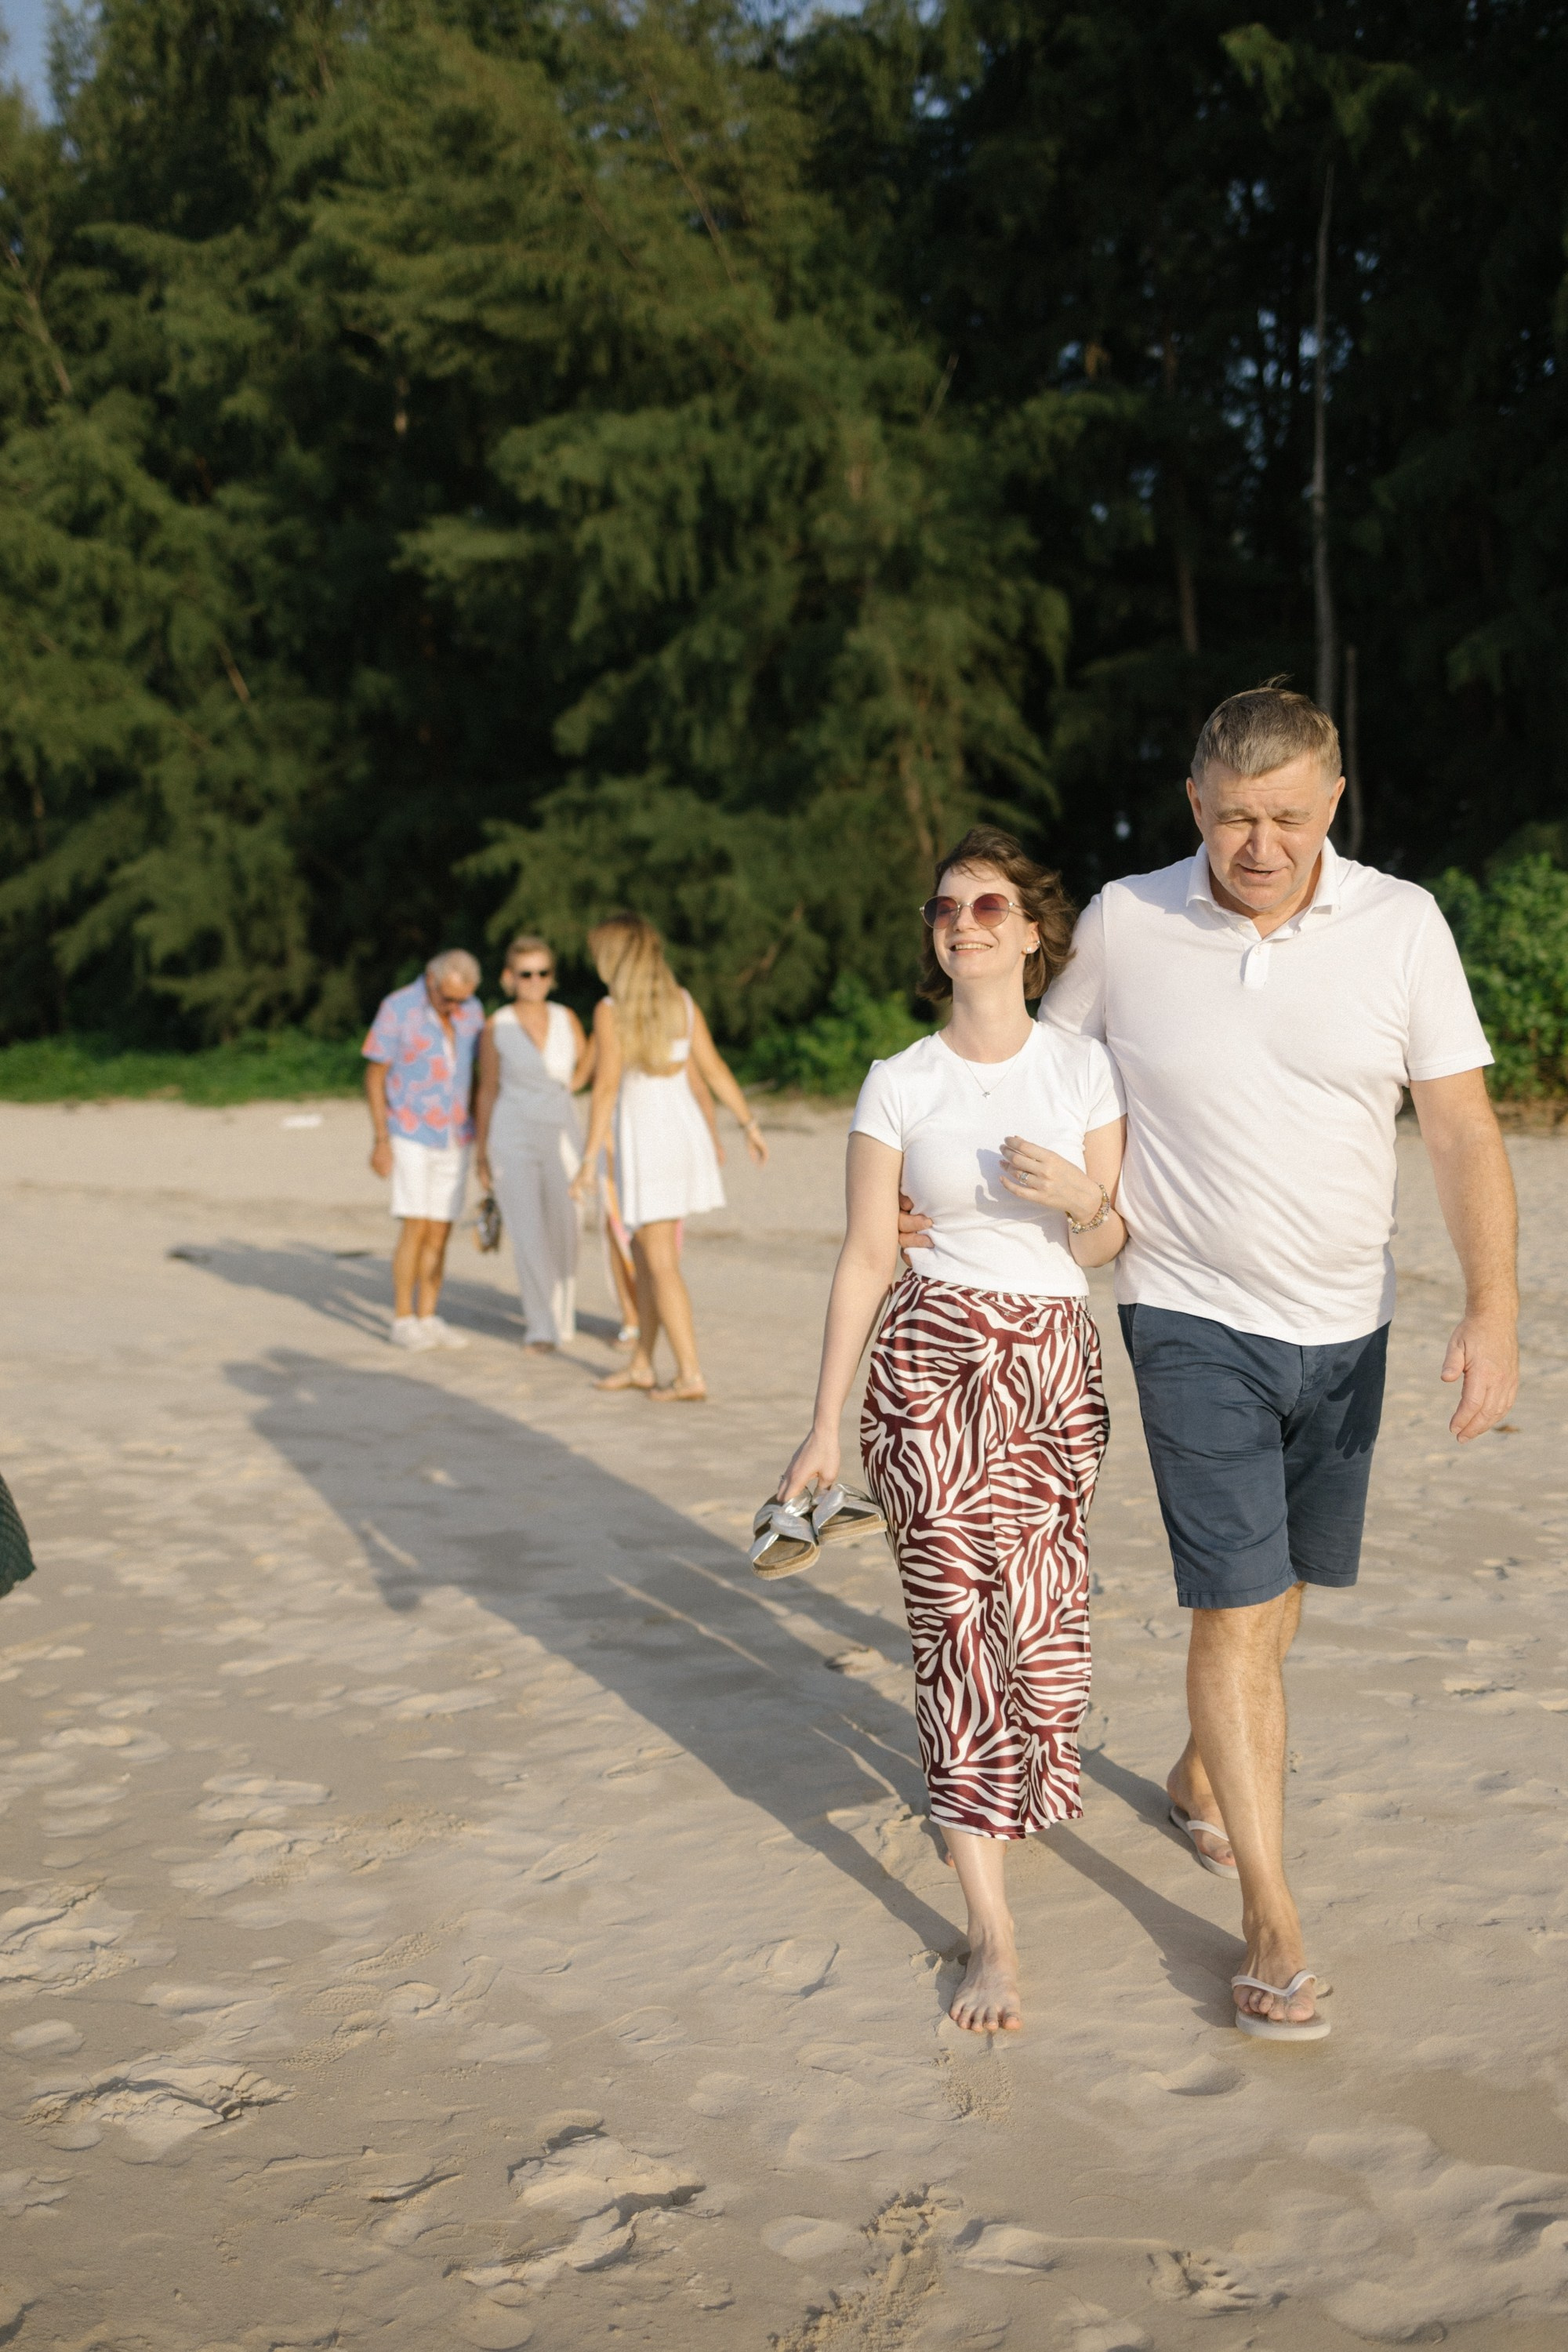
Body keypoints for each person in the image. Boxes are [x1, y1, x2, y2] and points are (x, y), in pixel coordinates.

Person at [902, 687, 1519, 2040]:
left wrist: (1494, 1310)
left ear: (1333, 805)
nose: (1262, 844)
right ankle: (1275, 1926)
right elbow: (1032, 1066)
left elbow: (1465, 1131)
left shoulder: (1404, 926)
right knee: (1237, 1613)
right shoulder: (1130, 920)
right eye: (1236, 817)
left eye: (1290, 817)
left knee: (1286, 1595)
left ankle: (1195, 1772)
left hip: (1348, 1323)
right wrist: (918, 1173)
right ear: (1195, 807)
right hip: (1185, 1313)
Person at [779, 827, 1128, 2035]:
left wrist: (1086, 1199)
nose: (964, 922)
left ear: (1033, 931)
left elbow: (1106, 1246)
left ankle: (999, 1781)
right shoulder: (899, 1079)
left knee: (1041, 1643)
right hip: (928, 1366)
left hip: (1048, 1366)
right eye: (946, 909)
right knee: (951, 1634)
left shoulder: (1084, 1069)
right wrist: (824, 1426)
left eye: (989, 905)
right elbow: (870, 1253)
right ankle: (991, 1928)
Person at [570, 914, 767, 1401]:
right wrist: (749, 1124)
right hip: (679, 1133)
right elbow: (715, 1070)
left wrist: (587, 1159)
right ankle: (641, 1364)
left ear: (616, 958)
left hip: (647, 1137)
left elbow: (606, 1089)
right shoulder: (681, 1002)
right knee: (642, 1251)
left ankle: (690, 1375)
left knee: (658, 1260)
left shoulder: (609, 1009)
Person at [363, 948, 485, 1350]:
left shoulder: (472, 1013)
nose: (454, 1006)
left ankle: (429, 1314)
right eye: (447, 998)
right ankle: (403, 1317)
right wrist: (381, 1139)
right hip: (410, 1129)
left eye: (461, 999)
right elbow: (376, 1073)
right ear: (431, 982)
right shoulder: (398, 1008)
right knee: (414, 1224)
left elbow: (482, 1073)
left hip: (456, 1132)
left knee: (440, 1229)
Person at [474, 935, 590, 1352]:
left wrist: (572, 1086)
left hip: (563, 1130)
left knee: (569, 1223)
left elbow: (592, 1060)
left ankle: (564, 1316)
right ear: (509, 977)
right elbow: (486, 1089)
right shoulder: (496, 1025)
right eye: (526, 974)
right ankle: (540, 1325)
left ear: (552, 977)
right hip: (512, 1132)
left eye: (543, 972)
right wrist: (480, 1150)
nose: (535, 980)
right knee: (527, 1229)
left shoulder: (567, 1018)